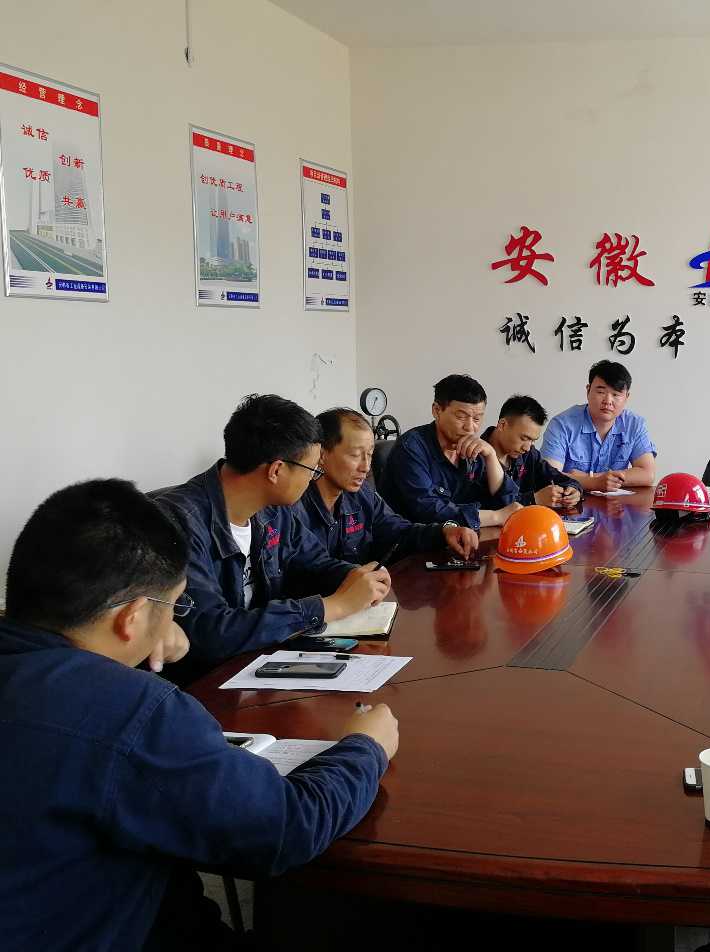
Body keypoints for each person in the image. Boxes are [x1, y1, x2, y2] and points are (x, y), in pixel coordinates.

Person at [0, 479, 398, 951]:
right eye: (175, 606)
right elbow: (287, 828)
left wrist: (148, 635)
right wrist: (365, 749)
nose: (177, 619)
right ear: (130, 618)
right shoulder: (126, 709)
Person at [159, 394, 390, 679]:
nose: (314, 478)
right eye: (313, 470)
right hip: (205, 683)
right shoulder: (177, 523)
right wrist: (332, 606)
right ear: (276, 470)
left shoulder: (273, 510)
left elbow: (314, 561)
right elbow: (211, 631)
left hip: (261, 664)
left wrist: (355, 576)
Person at [298, 407, 479, 564]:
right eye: (355, 455)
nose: (365, 467)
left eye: (369, 455)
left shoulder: (362, 495)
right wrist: (352, 576)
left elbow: (399, 532)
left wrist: (444, 532)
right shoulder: (295, 507)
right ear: (321, 455)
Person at [378, 374, 522, 529]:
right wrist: (496, 516)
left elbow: (508, 503)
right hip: (415, 539)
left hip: (465, 536)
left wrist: (491, 456)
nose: (470, 427)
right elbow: (429, 511)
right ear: (437, 410)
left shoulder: (473, 450)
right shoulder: (411, 448)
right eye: (461, 417)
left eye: (477, 419)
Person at [541, 360, 656, 492]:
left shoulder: (634, 425)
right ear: (588, 391)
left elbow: (648, 474)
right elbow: (548, 477)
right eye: (601, 392)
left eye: (616, 394)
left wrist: (592, 478)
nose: (608, 401)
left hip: (616, 504)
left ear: (626, 397)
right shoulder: (562, 425)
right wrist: (595, 483)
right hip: (570, 501)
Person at [481, 395, 583, 509]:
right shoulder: (475, 458)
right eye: (524, 438)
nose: (527, 448)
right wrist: (535, 499)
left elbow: (559, 478)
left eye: (533, 441)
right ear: (502, 425)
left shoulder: (529, 455)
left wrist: (573, 490)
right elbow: (481, 508)